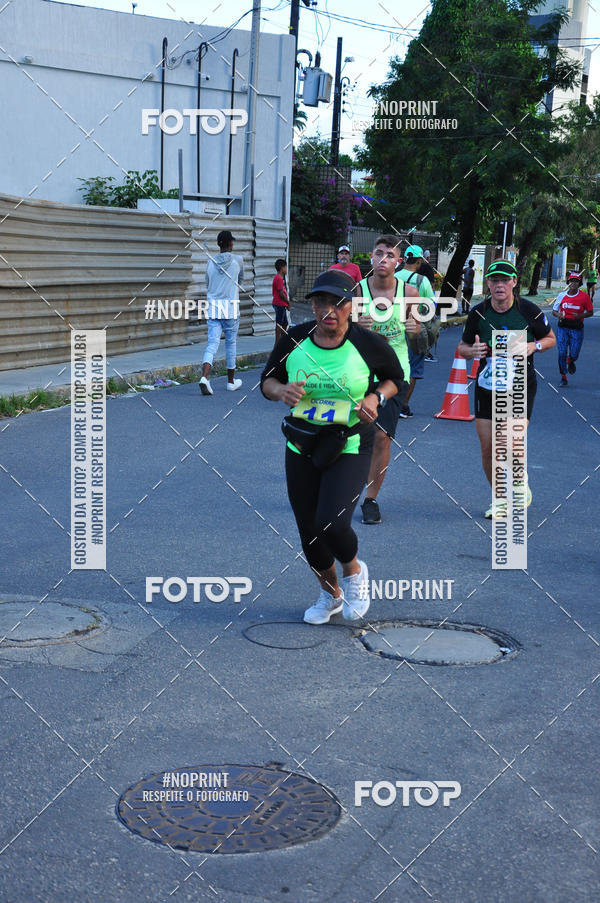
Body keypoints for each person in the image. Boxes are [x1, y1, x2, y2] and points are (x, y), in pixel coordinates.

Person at [260, 269, 405, 624]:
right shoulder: (294, 339)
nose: (329, 310)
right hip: (302, 443)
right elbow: (267, 380)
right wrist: (281, 391)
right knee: (308, 529)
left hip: (351, 441)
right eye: (321, 301)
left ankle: (354, 573)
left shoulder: (367, 343)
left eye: (337, 302)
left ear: (351, 306)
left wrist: (375, 397)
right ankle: (330, 595)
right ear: (312, 305)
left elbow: (396, 379)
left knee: (331, 521)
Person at [458, 259, 555, 518]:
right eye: (494, 280)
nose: (499, 285)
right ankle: (500, 498)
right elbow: (463, 347)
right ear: (488, 283)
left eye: (504, 280)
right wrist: (473, 351)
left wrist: (534, 347)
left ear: (513, 282)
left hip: (520, 385)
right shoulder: (478, 313)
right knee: (489, 447)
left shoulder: (529, 311)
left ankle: (520, 482)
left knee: (509, 442)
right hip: (487, 386)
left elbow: (550, 338)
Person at [355, 234, 419, 525]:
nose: (383, 259)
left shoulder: (410, 292)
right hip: (360, 373)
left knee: (382, 438)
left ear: (399, 261)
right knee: (352, 437)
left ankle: (371, 499)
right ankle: (337, 490)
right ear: (371, 257)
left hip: (395, 374)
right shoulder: (358, 291)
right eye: (379, 253)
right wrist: (355, 325)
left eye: (390, 255)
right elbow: (341, 334)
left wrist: (414, 325)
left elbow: (418, 333)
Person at [199, 230, 244, 395]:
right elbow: (240, 280)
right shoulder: (238, 260)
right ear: (231, 243)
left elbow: (207, 284)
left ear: (219, 244)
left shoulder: (210, 263)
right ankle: (231, 382)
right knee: (230, 344)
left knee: (212, 344)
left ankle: (205, 377)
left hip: (213, 309)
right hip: (231, 309)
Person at [397, 245, 437, 414]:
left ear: (406, 258)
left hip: (393, 326)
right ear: (419, 261)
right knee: (413, 367)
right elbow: (431, 305)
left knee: (394, 365)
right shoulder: (422, 281)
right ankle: (403, 406)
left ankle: (390, 403)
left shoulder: (393, 276)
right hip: (414, 327)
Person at [552, 272, 593, 386]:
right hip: (563, 328)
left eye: (576, 281)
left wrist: (579, 316)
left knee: (574, 354)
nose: (573, 283)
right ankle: (563, 377)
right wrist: (558, 315)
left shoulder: (584, 297)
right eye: (571, 281)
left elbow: (590, 312)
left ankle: (571, 360)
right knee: (562, 353)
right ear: (568, 282)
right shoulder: (561, 295)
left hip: (577, 329)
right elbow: (554, 311)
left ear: (579, 283)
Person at [272, 258, 290, 344]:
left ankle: (282, 340)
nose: (286, 269)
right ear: (282, 268)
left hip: (282, 304)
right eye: (286, 267)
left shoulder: (280, 278)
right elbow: (281, 294)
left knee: (285, 323)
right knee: (279, 323)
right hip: (279, 304)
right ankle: (277, 342)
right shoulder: (278, 278)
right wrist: (288, 302)